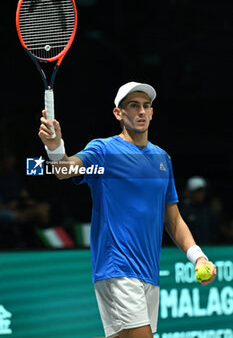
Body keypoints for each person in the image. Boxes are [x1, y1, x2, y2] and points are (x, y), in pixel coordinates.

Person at [38, 81, 217, 338]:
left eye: (146, 106)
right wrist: (55, 148)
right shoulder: (103, 151)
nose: (141, 111)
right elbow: (64, 170)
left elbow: (174, 220)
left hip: (149, 272)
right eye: (133, 106)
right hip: (117, 268)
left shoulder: (162, 159)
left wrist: (198, 257)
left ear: (153, 112)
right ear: (118, 113)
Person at [180, 176, 220, 245]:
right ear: (189, 192)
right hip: (189, 250)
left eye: (202, 191)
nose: (200, 194)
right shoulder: (183, 212)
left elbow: (215, 233)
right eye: (197, 191)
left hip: (209, 249)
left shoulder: (209, 211)